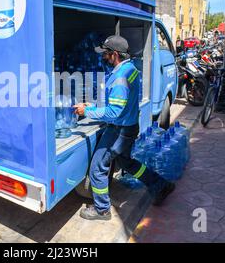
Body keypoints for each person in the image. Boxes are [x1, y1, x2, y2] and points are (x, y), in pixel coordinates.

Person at [73, 35, 175, 221]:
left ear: (114, 55)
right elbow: (120, 104)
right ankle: (161, 185)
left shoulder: (120, 77)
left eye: (105, 53)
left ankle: (102, 209)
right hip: (129, 127)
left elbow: (114, 112)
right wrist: (93, 106)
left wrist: (86, 111)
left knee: (97, 167)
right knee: (127, 163)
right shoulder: (130, 69)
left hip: (119, 130)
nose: (103, 56)